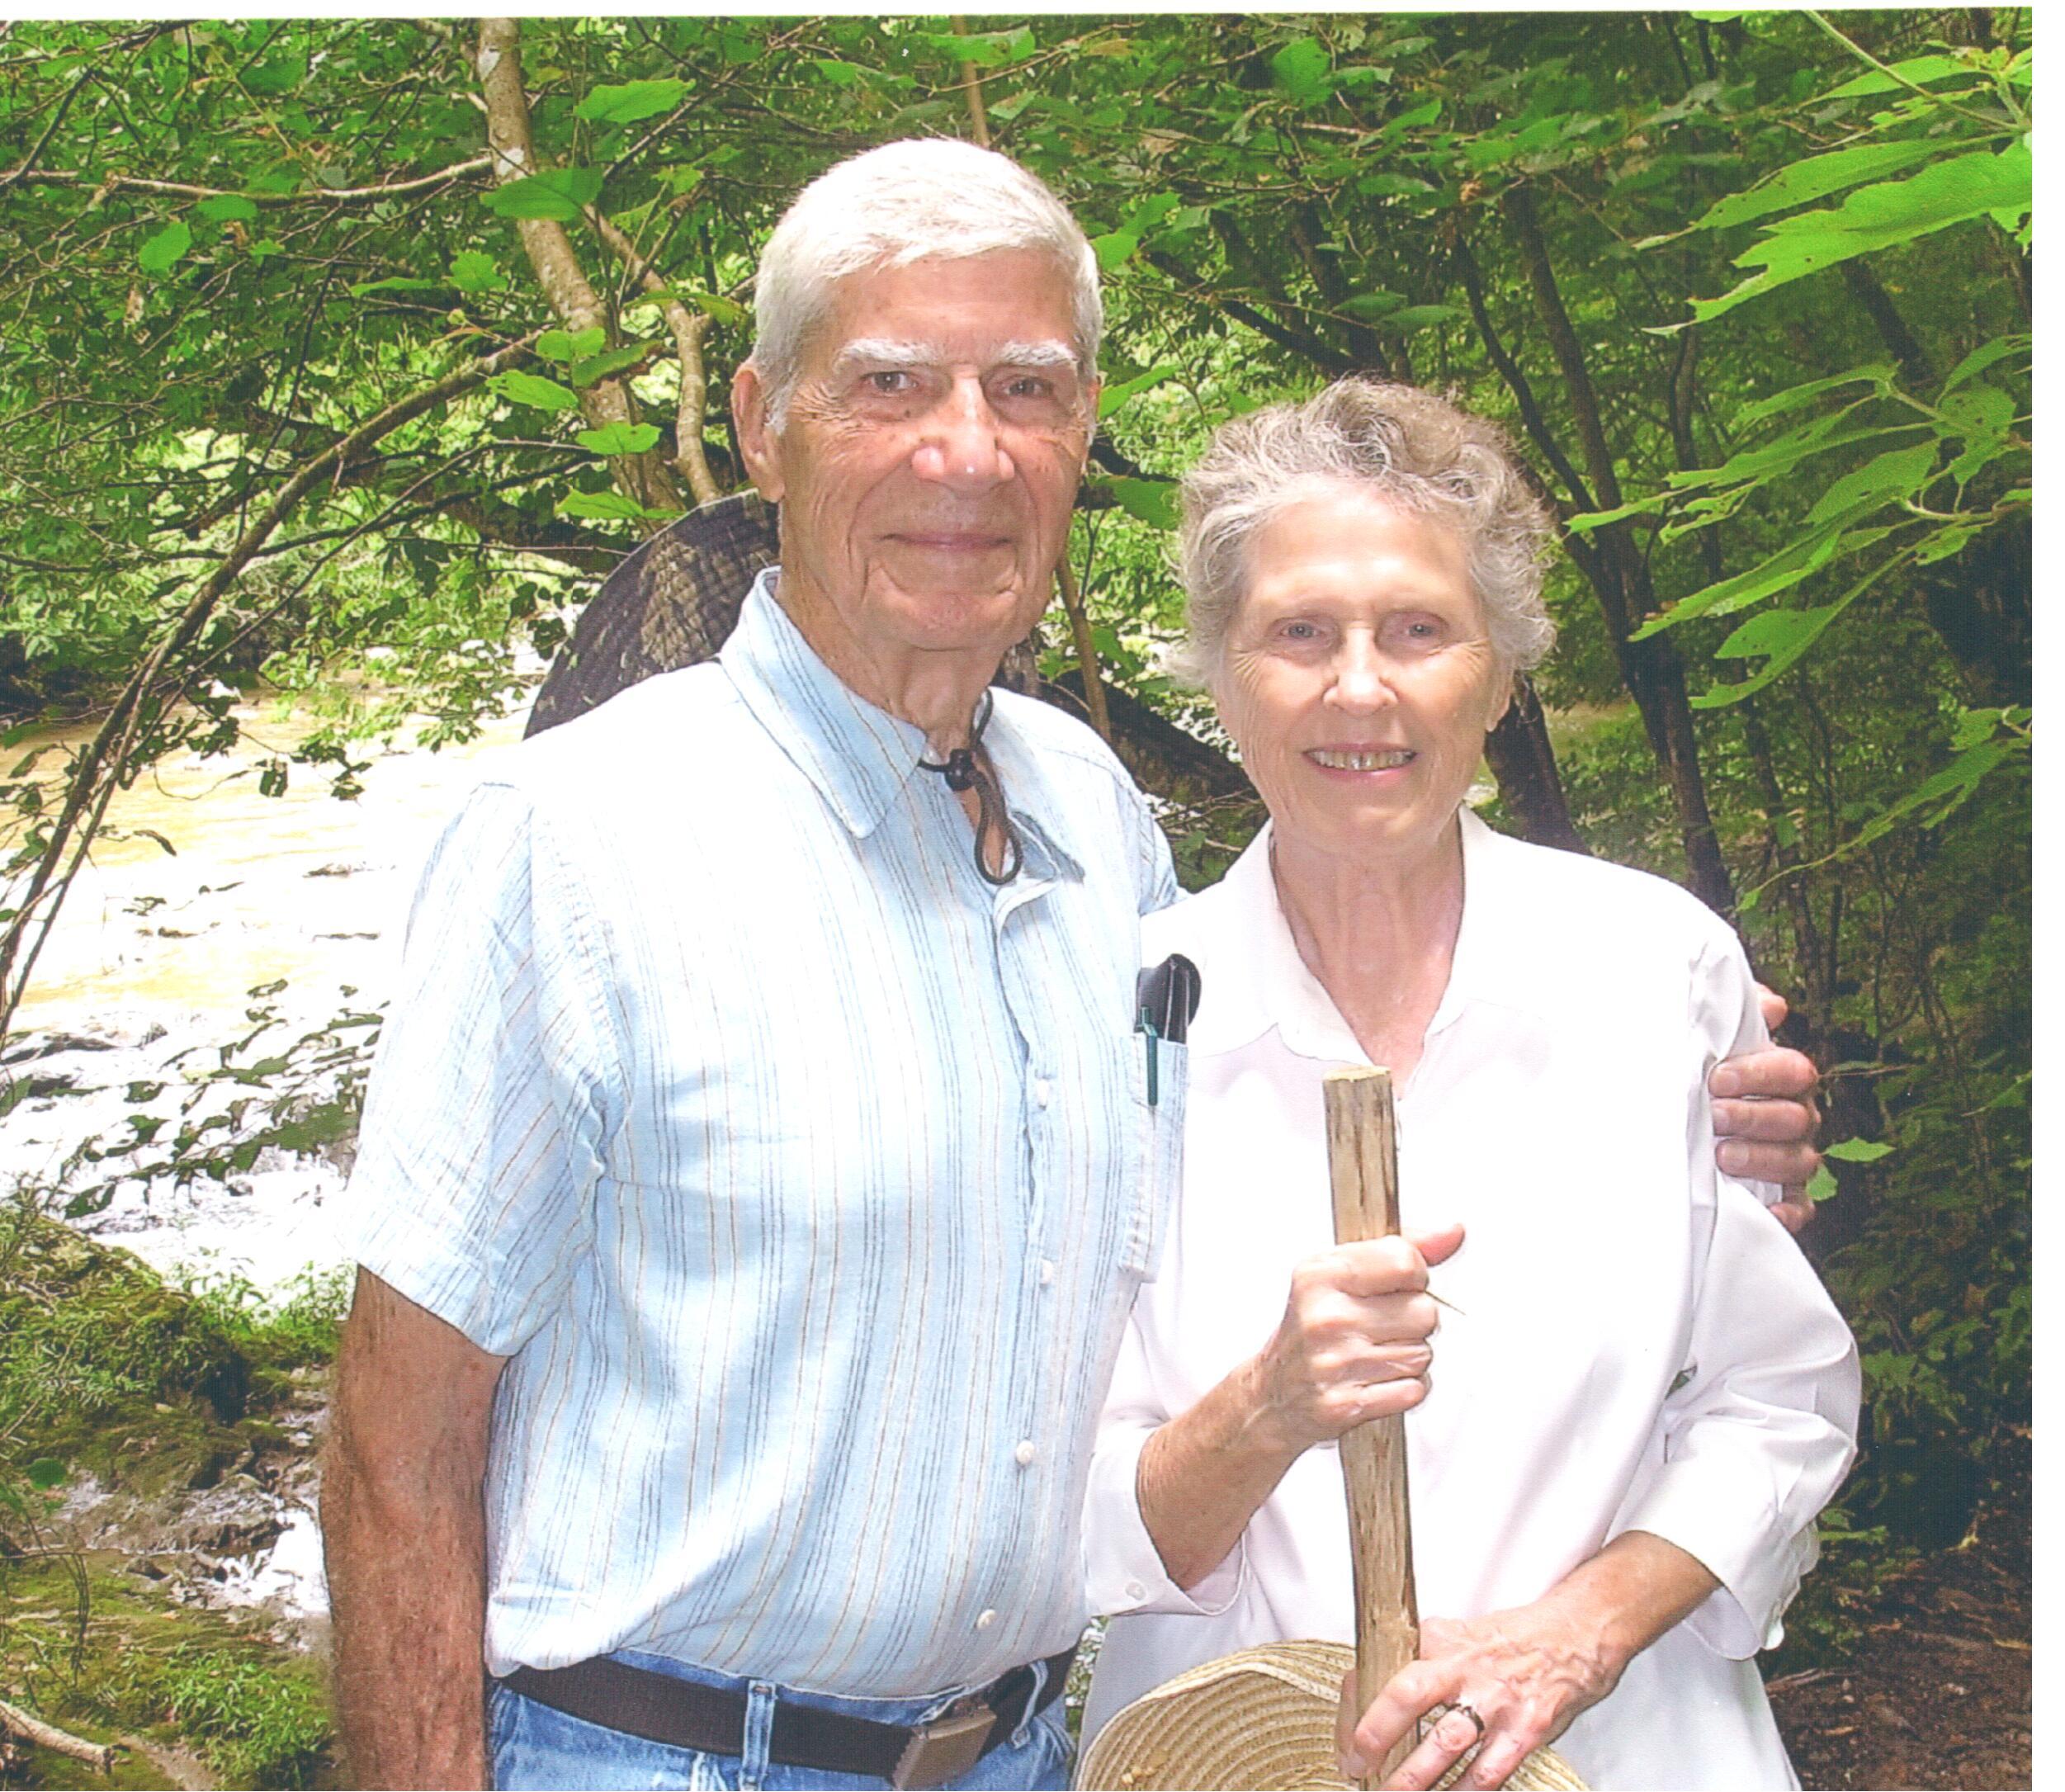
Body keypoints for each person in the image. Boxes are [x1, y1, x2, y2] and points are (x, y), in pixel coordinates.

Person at [319, 142, 1823, 1792]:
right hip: (666, 1754)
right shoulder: (575, 836)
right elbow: (399, 1444)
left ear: (1082, 429)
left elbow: (1759, 1376)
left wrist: (1714, 1120)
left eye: (1024, 389)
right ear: (759, 421)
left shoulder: (1096, 840)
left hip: (1022, 1750)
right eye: (889, 383)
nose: (965, 450)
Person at [1080, 381, 1859, 1791]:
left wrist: (1569, 1638)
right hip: (1232, 1760)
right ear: (1221, 674)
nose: (1358, 688)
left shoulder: (1652, 967)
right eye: (1298, 634)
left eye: (1417, 631)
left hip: (1627, 1752)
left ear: (1499, 675)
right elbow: (1054, 1512)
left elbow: (1777, 1399)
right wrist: (1266, 1408)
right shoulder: (1109, 1023)